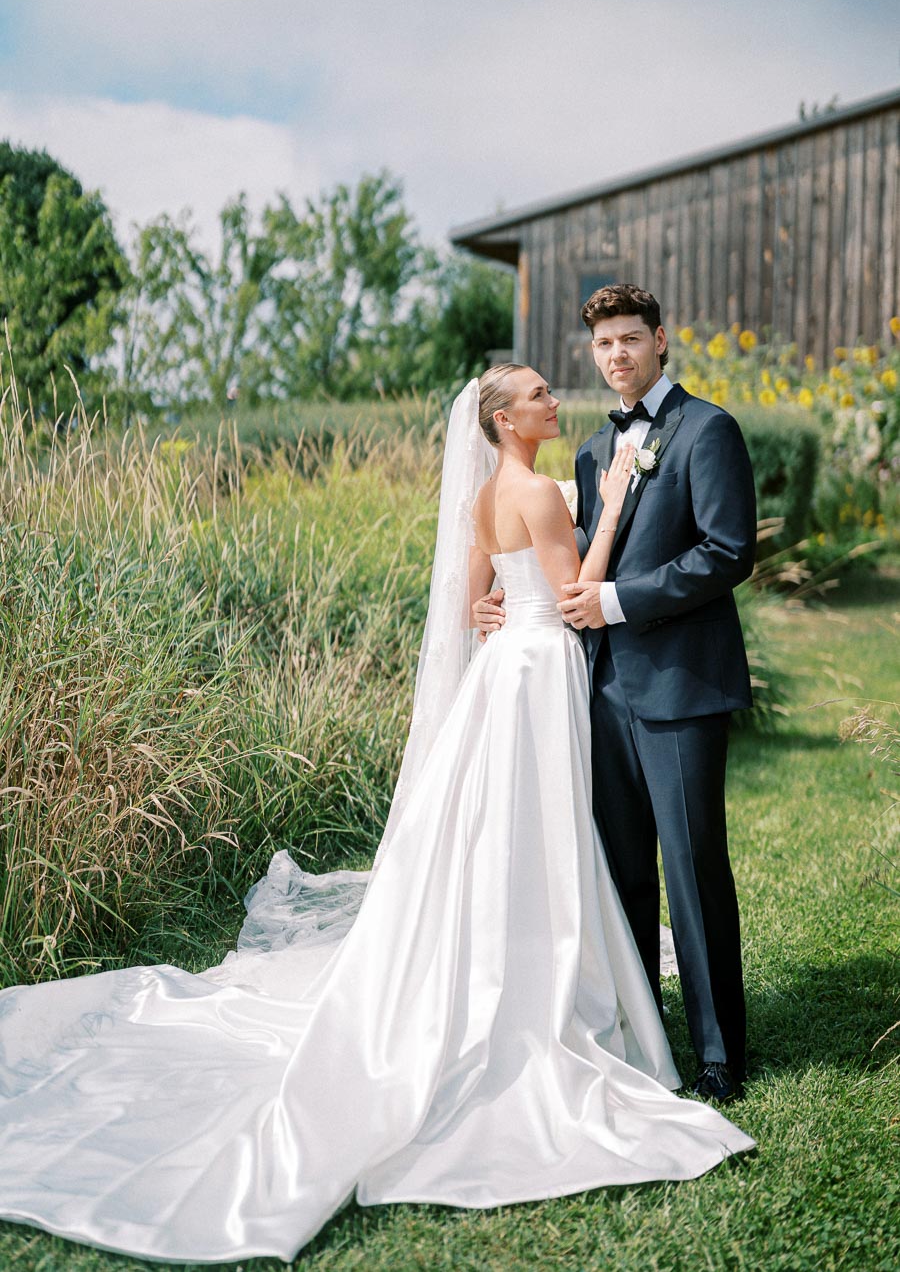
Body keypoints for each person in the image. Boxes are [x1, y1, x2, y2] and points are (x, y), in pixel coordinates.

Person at [0, 371, 752, 1266]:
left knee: (510, 842)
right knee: (545, 841)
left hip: (508, 671)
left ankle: (559, 974)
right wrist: (618, 506)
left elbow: (478, 597)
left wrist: (492, 606)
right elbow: (579, 589)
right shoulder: (543, 493)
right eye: (540, 395)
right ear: (505, 420)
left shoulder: (483, 498)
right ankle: (558, 992)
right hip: (546, 664)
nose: (558, 400)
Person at [475, 287, 756, 1104]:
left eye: (631, 340)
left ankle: (718, 1056)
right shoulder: (595, 451)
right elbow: (558, 559)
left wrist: (620, 603)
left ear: (661, 341)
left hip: (680, 686)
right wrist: (493, 598)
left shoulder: (709, 430)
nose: (617, 356)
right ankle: (642, 1032)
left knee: (694, 869)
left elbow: (727, 551)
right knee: (623, 872)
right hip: (597, 692)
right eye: (604, 346)